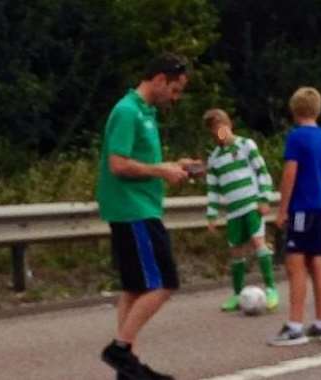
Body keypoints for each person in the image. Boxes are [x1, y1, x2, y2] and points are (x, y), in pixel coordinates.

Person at [96, 53, 201, 380]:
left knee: (135, 287)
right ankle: (120, 350)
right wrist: (161, 171)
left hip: (140, 206)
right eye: (175, 88)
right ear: (159, 79)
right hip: (133, 210)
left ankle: (128, 369)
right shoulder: (127, 111)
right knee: (164, 282)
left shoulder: (145, 112)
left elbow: (139, 161)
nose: (176, 96)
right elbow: (118, 164)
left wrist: (173, 166)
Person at [269, 87, 321, 346]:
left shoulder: (296, 137)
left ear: (294, 110)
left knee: (295, 264)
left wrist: (282, 209)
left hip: (302, 207)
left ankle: (295, 326)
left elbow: (289, 174)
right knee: (316, 262)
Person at [203, 109, 279, 312]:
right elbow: (213, 190)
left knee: (258, 242)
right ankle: (237, 294)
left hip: (251, 204)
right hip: (233, 210)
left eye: (222, 127)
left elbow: (262, 172)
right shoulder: (215, 159)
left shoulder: (246, 145)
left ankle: (271, 289)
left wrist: (264, 197)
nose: (220, 132)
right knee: (235, 250)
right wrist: (211, 214)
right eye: (215, 130)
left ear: (229, 125)